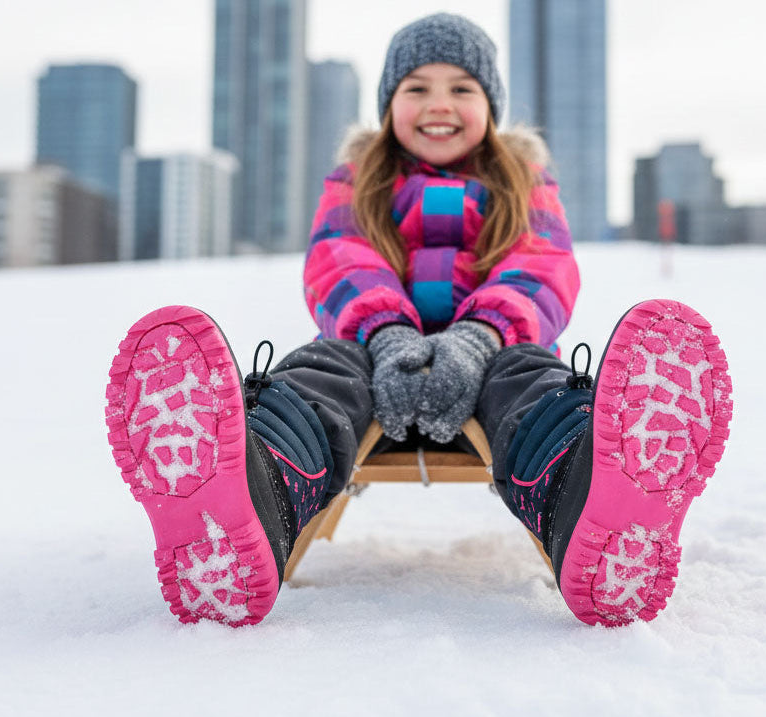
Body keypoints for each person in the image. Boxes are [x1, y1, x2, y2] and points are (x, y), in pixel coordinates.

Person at [105, 13, 732, 628]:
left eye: (462, 88)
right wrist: (386, 335)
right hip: (367, 375)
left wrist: (478, 337)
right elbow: (339, 261)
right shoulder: (358, 182)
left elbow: (541, 268)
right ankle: (250, 490)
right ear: (388, 104)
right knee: (321, 369)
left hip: (492, 376)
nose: (440, 103)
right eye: (417, 88)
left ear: (490, 105)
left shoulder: (522, 182)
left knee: (533, 375)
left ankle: (591, 494)